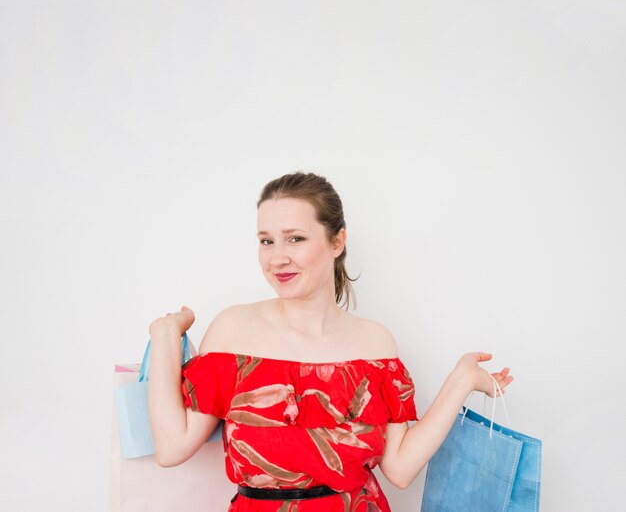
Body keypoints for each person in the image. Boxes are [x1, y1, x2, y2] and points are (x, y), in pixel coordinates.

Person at [148, 171, 513, 511]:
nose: (277, 257)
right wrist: (164, 334)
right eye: (266, 241)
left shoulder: (374, 342)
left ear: (337, 241)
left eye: (296, 238)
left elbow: (400, 470)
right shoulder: (233, 330)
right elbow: (171, 447)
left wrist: (461, 381)